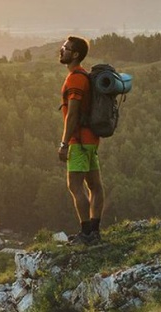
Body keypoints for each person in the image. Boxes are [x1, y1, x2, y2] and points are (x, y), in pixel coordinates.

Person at [57, 35, 105, 245]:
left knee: (75, 186)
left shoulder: (75, 78)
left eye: (66, 48)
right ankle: (94, 229)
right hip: (92, 139)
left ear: (75, 54)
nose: (62, 50)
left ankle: (86, 233)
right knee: (95, 185)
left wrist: (64, 143)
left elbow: (73, 114)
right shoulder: (83, 76)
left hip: (79, 140)